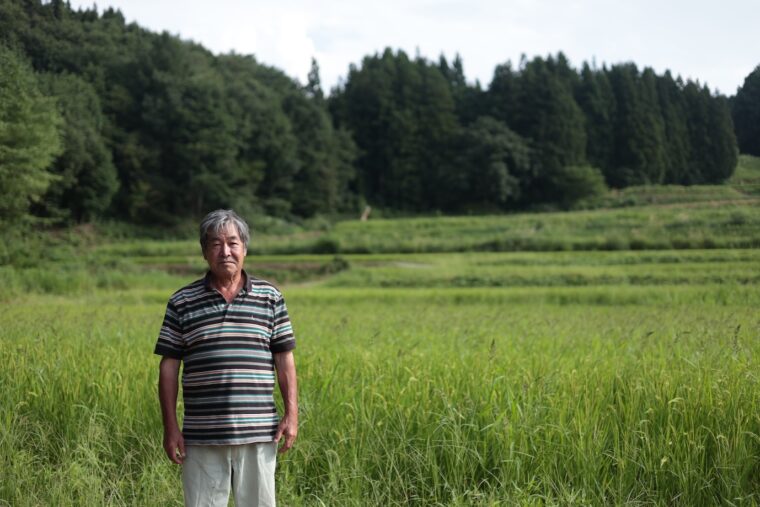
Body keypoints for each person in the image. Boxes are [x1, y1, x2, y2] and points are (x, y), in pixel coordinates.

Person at [154, 209, 298, 507]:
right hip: (202, 436)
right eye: (216, 244)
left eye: (233, 243)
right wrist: (171, 427)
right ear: (205, 252)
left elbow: (284, 359)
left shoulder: (270, 297)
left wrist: (291, 414)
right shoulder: (182, 302)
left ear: (245, 248)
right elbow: (168, 368)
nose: (225, 251)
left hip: (259, 433)